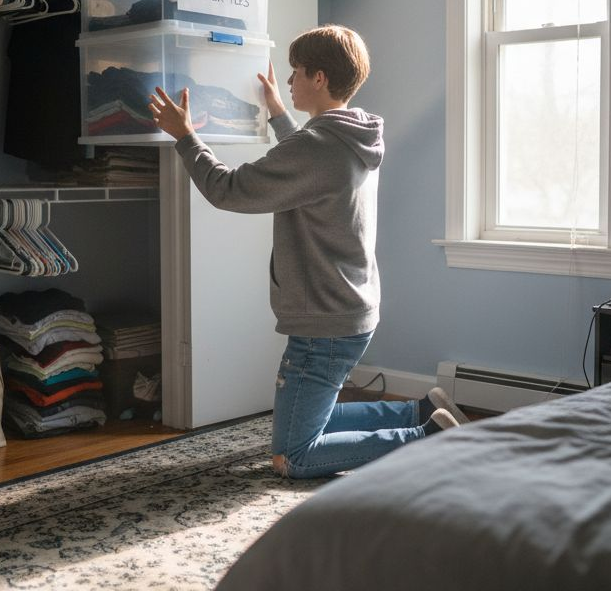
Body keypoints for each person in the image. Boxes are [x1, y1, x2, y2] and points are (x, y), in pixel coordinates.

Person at [147, 24, 469, 479]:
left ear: (319, 78)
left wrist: (185, 137)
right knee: (306, 420)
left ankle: (428, 438)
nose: (290, 81)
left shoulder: (317, 146)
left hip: (325, 321)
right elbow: (305, 161)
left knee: (293, 455)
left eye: (297, 72)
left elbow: (228, 190)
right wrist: (280, 113)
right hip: (348, 308)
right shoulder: (350, 135)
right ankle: (419, 412)